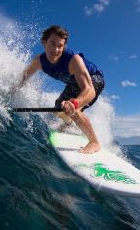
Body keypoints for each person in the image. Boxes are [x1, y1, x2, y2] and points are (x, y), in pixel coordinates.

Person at [13, 25, 104, 154]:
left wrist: (74, 103)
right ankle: (69, 124)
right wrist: (11, 92)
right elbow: (23, 78)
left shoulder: (73, 60)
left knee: (73, 109)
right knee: (59, 108)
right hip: (73, 83)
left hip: (94, 80)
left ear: (64, 46)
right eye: (52, 44)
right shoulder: (39, 61)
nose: (56, 49)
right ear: (44, 43)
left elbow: (90, 90)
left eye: (60, 46)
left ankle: (94, 142)